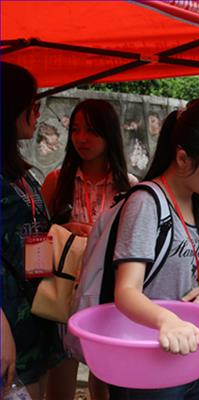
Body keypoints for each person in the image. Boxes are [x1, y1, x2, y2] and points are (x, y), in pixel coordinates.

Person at [109, 97, 199, 399]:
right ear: (183, 158)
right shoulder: (146, 203)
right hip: (152, 362)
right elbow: (126, 291)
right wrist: (167, 320)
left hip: (196, 356)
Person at [41, 99, 138, 400]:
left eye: (92, 131)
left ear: (110, 135)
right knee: (60, 382)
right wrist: (63, 231)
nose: (81, 138)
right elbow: (37, 241)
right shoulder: (57, 181)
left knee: (105, 381)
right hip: (62, 292)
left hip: (107, 293)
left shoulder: (129, 186)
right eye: (75, 129)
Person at [1, 62, 63, 400]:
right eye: (32, 104)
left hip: (35, 318)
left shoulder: (21, 172)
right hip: (6, 327)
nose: (38, 114)